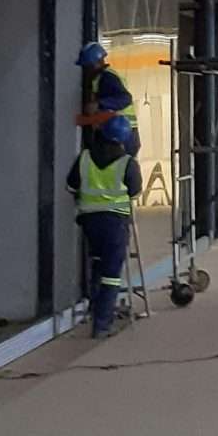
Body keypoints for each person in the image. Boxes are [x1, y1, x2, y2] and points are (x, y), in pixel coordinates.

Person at [68, 114, 144, 336]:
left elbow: (71, 186)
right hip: (115, 223)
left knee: (98, 264)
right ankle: (102, 324)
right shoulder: (127, 163)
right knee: (111, 273)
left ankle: (95, 308)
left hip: (89, 221)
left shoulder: (84, 158)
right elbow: (135, 192)